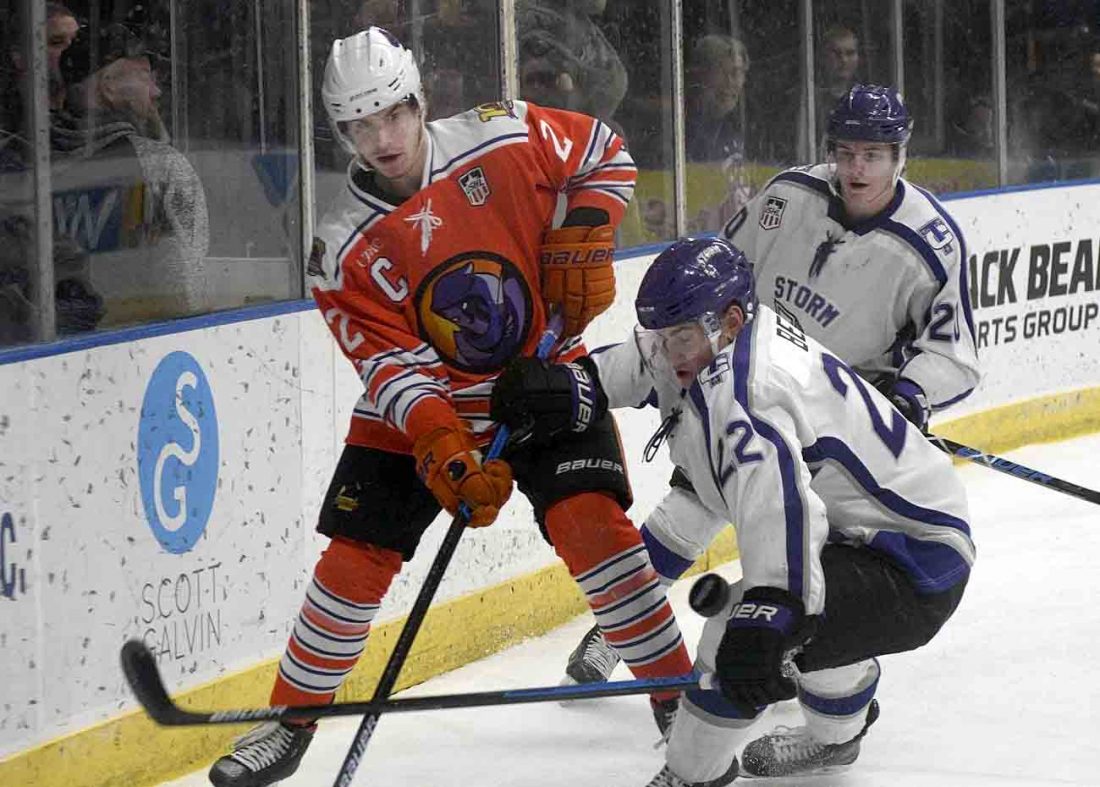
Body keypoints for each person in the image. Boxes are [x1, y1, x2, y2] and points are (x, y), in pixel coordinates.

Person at [206, 27, 694, 787]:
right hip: (422, 410)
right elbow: (392, 368)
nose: (383, 138)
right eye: (360, 126)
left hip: (543, 374)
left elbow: (606, 151)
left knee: (594, 530)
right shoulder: (340, 248)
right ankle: (289, 721)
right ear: (341, 133)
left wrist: (586, 228)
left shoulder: (504, 135)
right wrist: (442, 444)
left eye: (393, 114)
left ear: (419, 101)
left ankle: (680, 702)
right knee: (354, 558)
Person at [491, 236, 975, 785]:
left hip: (914, 561)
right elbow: (642, 361)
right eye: (661, 337)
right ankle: (837, 738)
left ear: (731, 321)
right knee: (817, 621)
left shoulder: (748, 395)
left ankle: (690, 775)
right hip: (880, 526)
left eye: (680, 338)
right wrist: (570, 383)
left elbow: (778, 510)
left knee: (739, 632)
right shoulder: (712, 338)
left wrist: (773, 609)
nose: (668, 353)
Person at [558, 83, 980, 712]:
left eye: (873, 154)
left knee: (801, 551)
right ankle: (619, 630)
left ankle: (828, 681)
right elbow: (722, 269)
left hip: (828, 422)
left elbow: (953, 352)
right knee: (688, 508)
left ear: (901, 155)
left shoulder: (932, 243)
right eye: (846, 151)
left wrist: (912, 394)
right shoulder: (788, 196)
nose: (857, 167)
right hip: (739, 379)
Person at [51, 18, 209, 325]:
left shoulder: (29, 164)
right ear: (109, 85)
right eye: (145, 75)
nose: (156, 91)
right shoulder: (161, 166)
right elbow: (186, 286)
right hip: (139, 342)